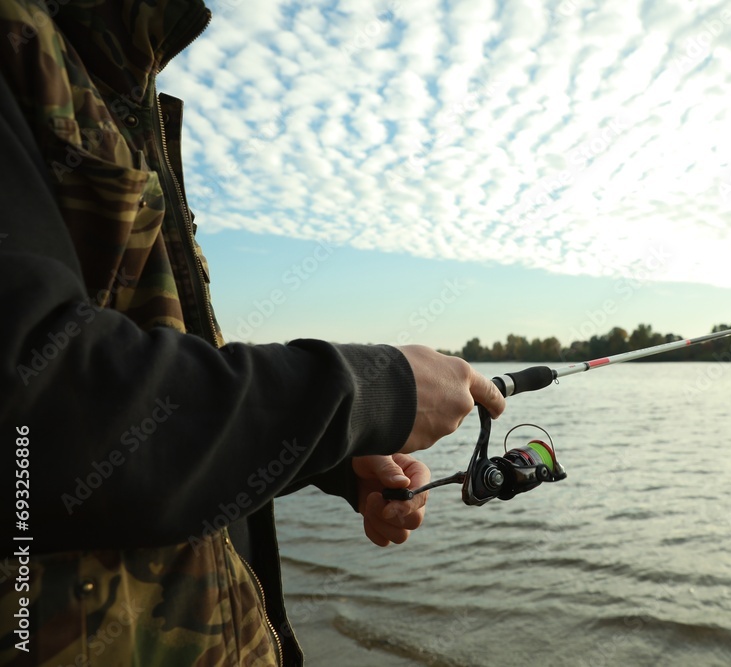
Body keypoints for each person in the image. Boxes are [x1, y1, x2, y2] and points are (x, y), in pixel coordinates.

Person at [0, 0, 504, 664]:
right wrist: (372, 393)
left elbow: (155, 420)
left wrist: (334, 460)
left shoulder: (111, 78)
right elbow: (34, 421)